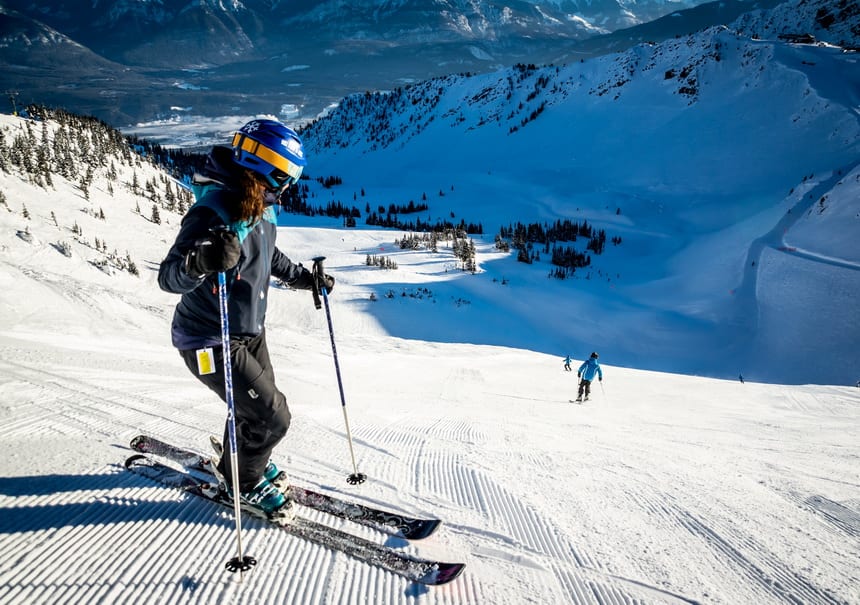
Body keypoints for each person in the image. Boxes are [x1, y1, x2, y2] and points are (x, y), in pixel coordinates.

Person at [157, 118, 334, 515]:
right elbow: (168, 277)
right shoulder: (212, 211)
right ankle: (244, 483)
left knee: (255, 410)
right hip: (208, 337)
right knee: (273, 418)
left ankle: (239, 465)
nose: (289, 185)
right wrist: (201, 261)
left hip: (248, 331)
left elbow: (266, 254)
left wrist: (304, 279)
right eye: (287, 175)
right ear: (266, 168)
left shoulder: (261, 206)